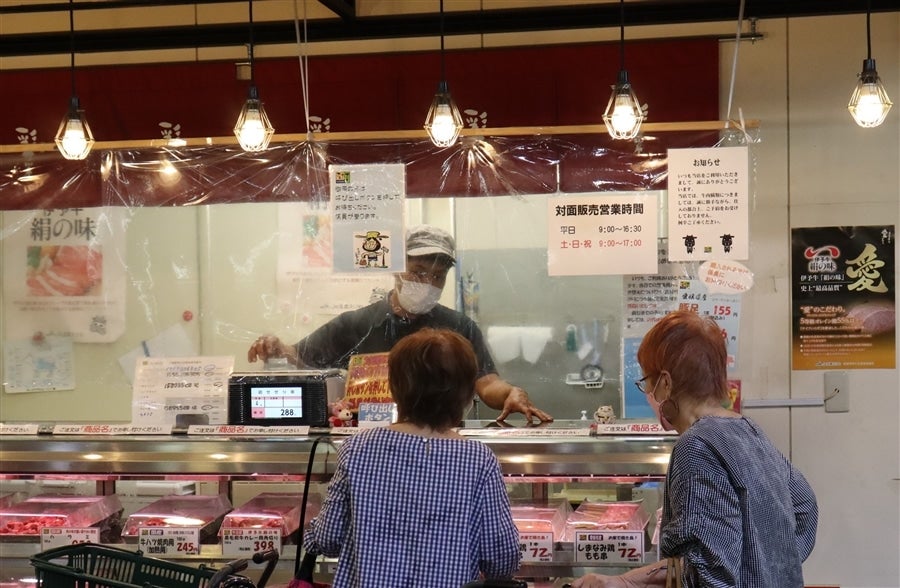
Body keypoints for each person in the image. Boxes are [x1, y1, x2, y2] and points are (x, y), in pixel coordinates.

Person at [572, 310, 818, 588]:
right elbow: (804, 507)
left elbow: (707, 571)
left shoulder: (696, 446)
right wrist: (768, 566)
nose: (648, 392)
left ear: (665, 384)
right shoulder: (749, 429)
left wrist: (628, 582)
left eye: (647, 382)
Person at [248, 224, 553, 423]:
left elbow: (487, 383)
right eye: (418, 271)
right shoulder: (357, 323)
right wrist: (277, 348)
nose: (428, 282)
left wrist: (511, 393)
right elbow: (303, 358)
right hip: (371, 445)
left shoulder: (459, 327)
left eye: (438, 276)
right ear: (396, 268)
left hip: (441, 444)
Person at [302, 328, 522, 587]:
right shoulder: (479, 460)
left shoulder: (357, 448)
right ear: (465, 395)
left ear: (394, 388)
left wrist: (310, 531)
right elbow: (501, 557)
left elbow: (328, 539)